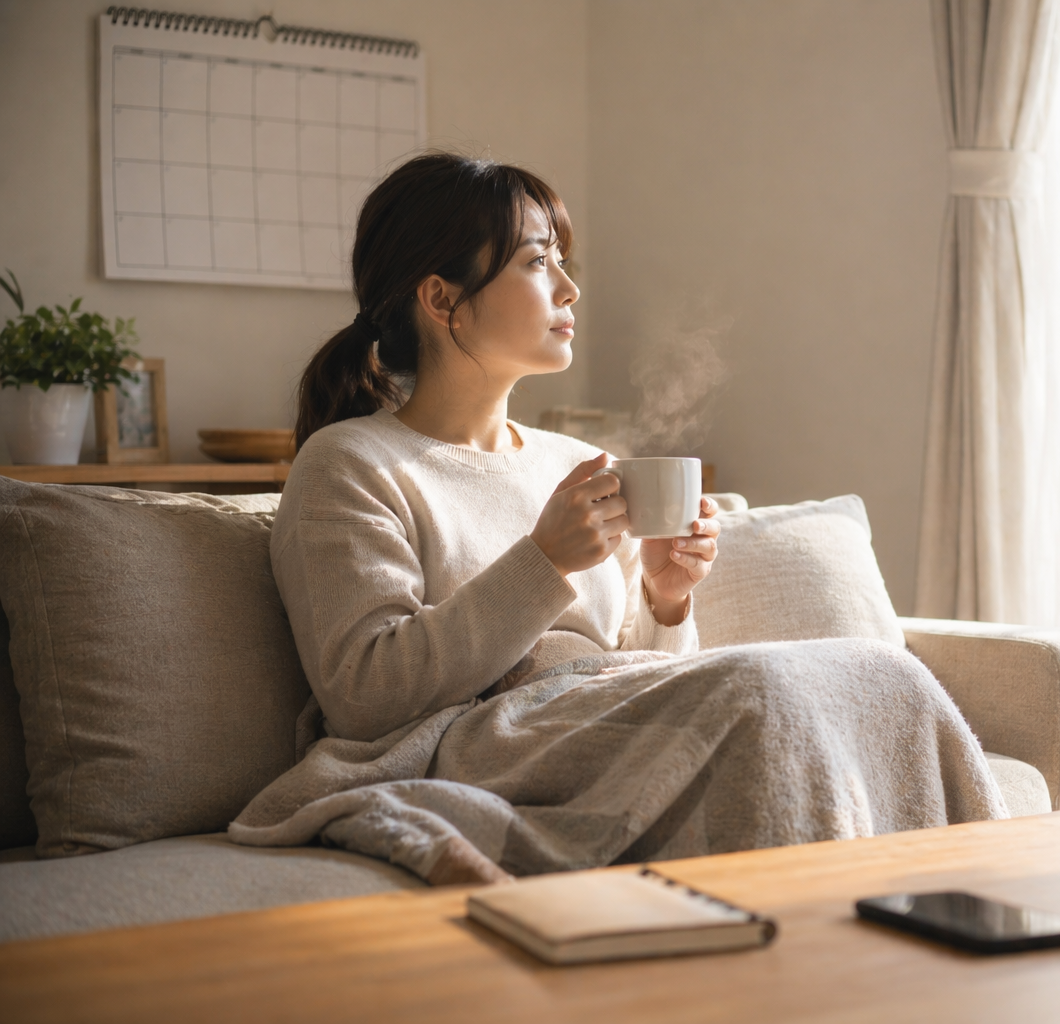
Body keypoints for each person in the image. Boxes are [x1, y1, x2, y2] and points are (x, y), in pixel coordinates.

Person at [257, 152, 1006, 884]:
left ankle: (975, 922)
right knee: (760, 689)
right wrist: (542, 562)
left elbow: (647, 676)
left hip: (592, 716)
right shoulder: (349, 463)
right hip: (484, 739)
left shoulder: (573, 461)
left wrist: (666, 598)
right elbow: (363, 696)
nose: (569, 289)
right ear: (442, 299)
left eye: (562, 261)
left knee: (884, 671)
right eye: (536, 262)